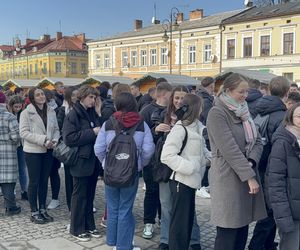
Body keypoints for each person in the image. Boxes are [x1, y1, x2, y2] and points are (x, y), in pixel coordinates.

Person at [206, 73, 267, 250]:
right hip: (228, 178)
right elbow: (229, 149)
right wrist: (250, 176)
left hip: (245, 171)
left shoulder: (244, 111)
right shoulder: (217, 113)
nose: (245, 96)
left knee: (242, 228)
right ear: (228, 91)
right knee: (228, 231)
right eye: (241, 92)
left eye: (247, 91)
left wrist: (251, 163)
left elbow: (257, 141)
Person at [94, 92, 155, 250]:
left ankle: (113, 242)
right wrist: (139, 165)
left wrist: (106, 163)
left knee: (113, 208)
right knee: (125, 209)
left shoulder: (108, 123)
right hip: (131, 173)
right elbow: (148, 150)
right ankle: (124, 246)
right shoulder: (141, 124)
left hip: (110, 172)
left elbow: (98, 148)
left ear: (117, 105)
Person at [159, 88, 208, 250]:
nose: (203, 109)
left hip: (191, 181)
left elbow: (202, 152)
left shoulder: (197, 126)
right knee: (179, 224)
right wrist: (190, 167)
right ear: (195, 108)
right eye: (201, 106)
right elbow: (166, 156)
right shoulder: (181, 128)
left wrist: (213, 159)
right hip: (181, 181)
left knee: (186, 222)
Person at [249, 76, 290, 250]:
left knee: (269, 210)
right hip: (273, 170)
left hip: (258, 165)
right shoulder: (282, 116)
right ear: (287, 93)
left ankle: (268, 244)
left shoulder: (256, 109)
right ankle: (256, 246)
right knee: (271, 211)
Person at [62, 85, 102, 241]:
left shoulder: (92, 113)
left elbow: (102, 130)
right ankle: (76, 228)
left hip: (92, 160)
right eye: (91, 97)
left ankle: (89, 225)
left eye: (95, 97)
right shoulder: (73, 114)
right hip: (79, 161)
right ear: (82, 97)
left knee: (90, 195)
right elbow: (69, 138)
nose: (93, 100)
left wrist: (98, 113)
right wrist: (91, 133)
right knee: (79, 196)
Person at [19, 87, 60, 224]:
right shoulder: (26, 113)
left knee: (44, 180)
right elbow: (24, 133)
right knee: (34, 181)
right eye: (38, 95)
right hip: (33, 151)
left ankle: (42, 208)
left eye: (42, 94)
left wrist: (54, 140)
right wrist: (43, 140)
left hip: (48, 150)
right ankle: (34, 210)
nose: (41, 96)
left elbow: (56, 129)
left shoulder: (51, 111)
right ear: (32, 98)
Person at [140, 82, 172, 239]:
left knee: (166, 194)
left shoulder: (172, 111)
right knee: (152, 192)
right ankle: (149, 222)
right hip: (152, 160)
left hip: (168, 160)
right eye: (171, 95)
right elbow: (139, 136)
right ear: (164, 94)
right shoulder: (146, 111)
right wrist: (154, 130)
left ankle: (163, 221)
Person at [267, 103, 300, 250]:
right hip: (291, 212)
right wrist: (283, 217)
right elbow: (275, 182)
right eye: (299, 116)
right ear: (291, 118)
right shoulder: (282, 142)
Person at [56, 86, 78, 211]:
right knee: (69, 178)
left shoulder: (85, 109)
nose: (76, 97)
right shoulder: (63, 110)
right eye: (74, 95)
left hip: (81, 147)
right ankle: (71, 205)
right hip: (69, 149)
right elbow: (59, 127)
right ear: (69, 97)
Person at [0, 92, 22, 215]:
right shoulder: (10, 117)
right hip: (7, 152)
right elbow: (15, 136)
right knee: (8, 181)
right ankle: (10, 207)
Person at [197, 76, 215, 199]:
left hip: (204, 132)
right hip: (206, 133)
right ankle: (201, 186)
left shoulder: (202, 96)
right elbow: (210, 117)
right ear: (211, 85)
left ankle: (204, 185)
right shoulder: (206, 99)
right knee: (206, 160)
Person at [8, 95, 28, 200]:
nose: (17, 109)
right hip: (10, 144)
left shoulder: (23, 114)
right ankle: (11, 192)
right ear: (11, 106)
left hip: (21, 144)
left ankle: (25, 190)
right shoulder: (8, 115)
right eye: (15, 107)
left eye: (19, 107)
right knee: (11, 169)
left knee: (22, 168)